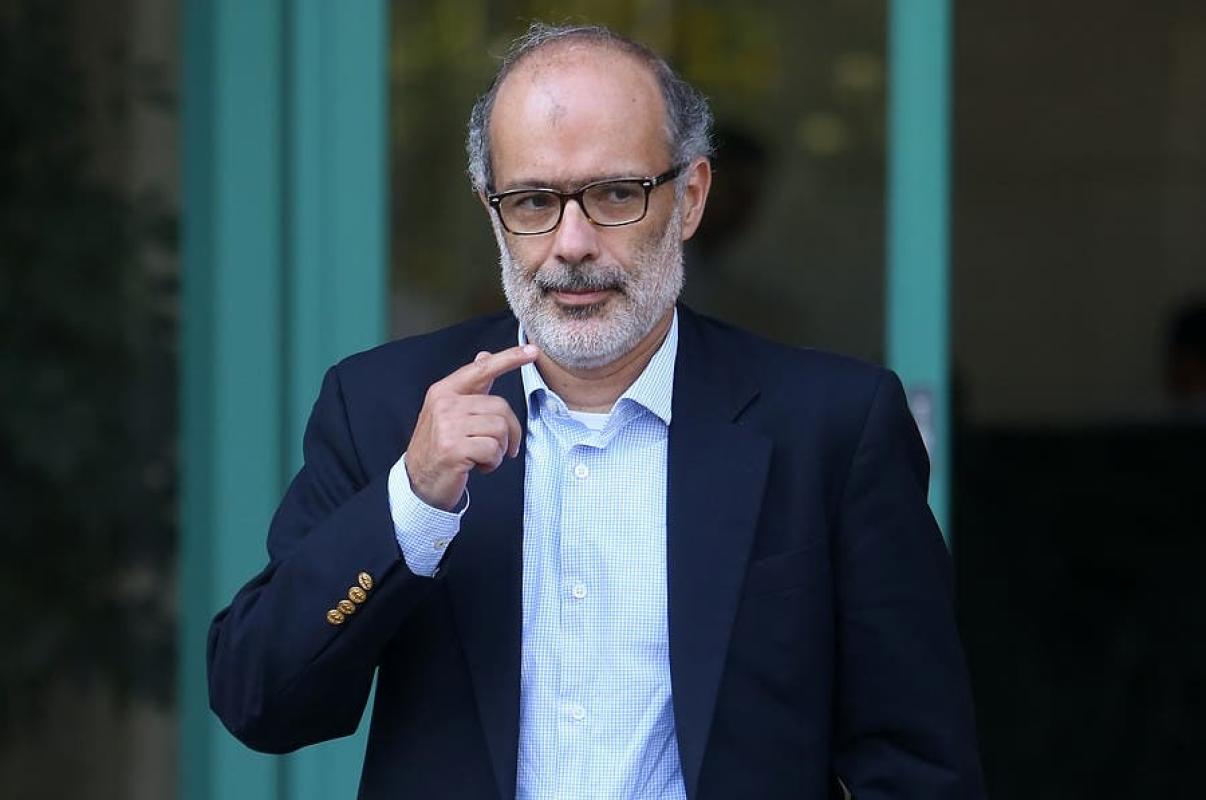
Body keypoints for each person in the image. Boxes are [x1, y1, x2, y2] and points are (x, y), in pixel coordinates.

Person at [207, 23, 985, 800]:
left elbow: (917, 766)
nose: (572, 243)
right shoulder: (385, 408)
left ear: (690, 198)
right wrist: (411, 504)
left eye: (616, 194)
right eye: (533, 201)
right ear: (492, 211)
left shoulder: (830, 427)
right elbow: (258, 700)